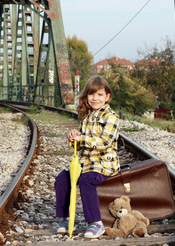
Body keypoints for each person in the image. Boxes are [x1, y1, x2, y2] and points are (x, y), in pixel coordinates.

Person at [54, 75, 120, 239]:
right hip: (84, 162)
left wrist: (81, 138)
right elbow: (81, 143)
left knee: (86, 180)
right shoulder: (87, 116)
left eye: (99, 95)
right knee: (61, 180)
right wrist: (73, 137)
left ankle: (96, 223)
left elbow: (105, 142)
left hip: (104, 163)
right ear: (86, 96)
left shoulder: (111, 117)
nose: (95, 98)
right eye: (92, 94)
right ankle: (67, 218)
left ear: (107, 97)